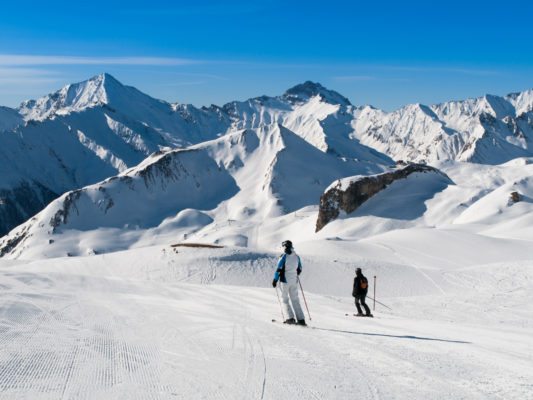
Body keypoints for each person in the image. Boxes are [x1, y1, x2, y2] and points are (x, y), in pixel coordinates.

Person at [272, 240, 306, 326]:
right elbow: (300, 269)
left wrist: (275, 280)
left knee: (284, 299)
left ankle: (290, 318)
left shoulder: (283, 256)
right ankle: (301, 319)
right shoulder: (296, 256)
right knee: (295, 299)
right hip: (294, 281)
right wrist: (295, 274)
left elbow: (278, 269)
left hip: (285, 281)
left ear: (285, 246)